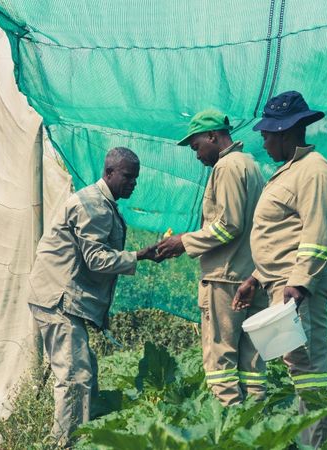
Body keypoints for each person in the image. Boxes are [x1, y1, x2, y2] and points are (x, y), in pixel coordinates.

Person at [27, 147, 159, 446]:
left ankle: (84, 437)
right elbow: (96, 259)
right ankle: (67, 444)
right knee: (75, 377)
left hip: (59, 296)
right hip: (59, 299)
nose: (133, 183)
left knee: (83, 371)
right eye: (127, 176)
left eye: (136, 178)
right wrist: (140, 255)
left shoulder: (101, 203)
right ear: (109, 172)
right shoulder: (94, 206)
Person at [232, 91, 327, 447]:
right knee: (299, 367)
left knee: (309, 367)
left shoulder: (315, 171)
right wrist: (256, 278)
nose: (262, 140)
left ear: (287, 131)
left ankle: (318, 442)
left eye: (267, 134)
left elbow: (317, 233)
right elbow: (282, 238)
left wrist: (300, 283)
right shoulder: (289, 172)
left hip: (298, 285)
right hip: (283, 282)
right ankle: (312, 438)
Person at [157, 109, 268, 406]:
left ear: (212, 136)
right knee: (253, 361)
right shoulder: (250, 165)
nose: (196, 155)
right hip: (252, 276)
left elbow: (229, 225)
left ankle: (228, 427)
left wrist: (184, 242)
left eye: (196, 146)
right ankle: (257, 426)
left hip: (226, 277)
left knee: (221, 360)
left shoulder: (228, 167)